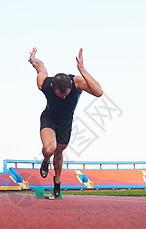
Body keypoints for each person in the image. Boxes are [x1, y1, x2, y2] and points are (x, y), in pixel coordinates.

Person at [28, 48, 103, 197]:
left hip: (66, 123)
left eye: (66, 94)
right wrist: (33, 59)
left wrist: (82, 69)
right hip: (49, 118)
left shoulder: (76, 83)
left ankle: (57, 182)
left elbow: (98, 92)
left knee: (59, 152)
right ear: (52, 88)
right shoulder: (44, 82)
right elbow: (40, 66)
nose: (63, 98)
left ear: (70, 87)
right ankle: (45, 160)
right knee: (50, 149)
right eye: (59, 95)